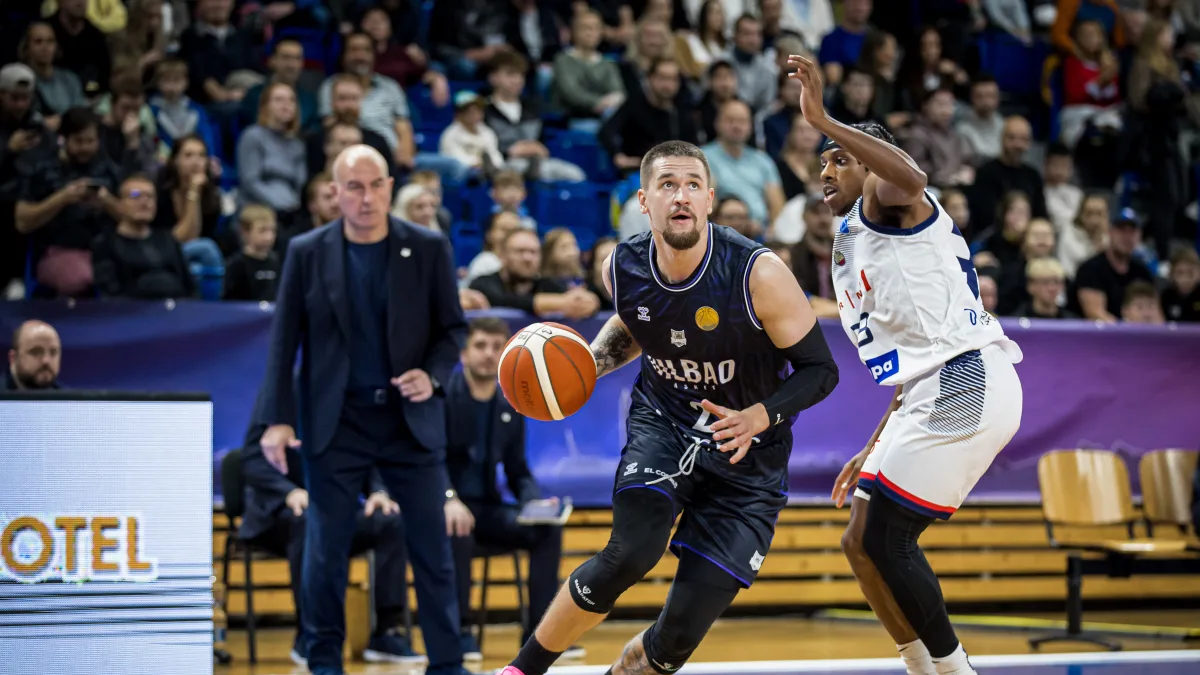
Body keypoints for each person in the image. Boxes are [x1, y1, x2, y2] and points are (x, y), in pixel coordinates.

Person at [498, 139, 840, 675]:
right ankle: (521, 670)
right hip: (666, 423)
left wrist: (759, 415)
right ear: (644, 202)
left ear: (709, 198)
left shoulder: (759, 274)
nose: (680, 196)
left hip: (747, 453)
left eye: (691, 186)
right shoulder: (621, 267)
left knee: (677, 636)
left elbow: (822, 371)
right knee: (630, 553)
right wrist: (588, 365)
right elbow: (640, 326)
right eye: (667, 185)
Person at [787, 54, 1024, 675]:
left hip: (966, 377)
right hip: (931, 384)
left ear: (870, 164)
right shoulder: (855, 242)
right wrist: (873, 444)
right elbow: (910, 360)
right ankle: (924, 667)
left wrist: (824, 118)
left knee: (885, 539)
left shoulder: (894, 203)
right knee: (859, 544)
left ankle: (952, 671)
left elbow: (912, 179)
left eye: (840, 158)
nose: (827, 170)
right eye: (822, 162)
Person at [255, 144, 470, 675]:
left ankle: (447, 664)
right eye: (354, 186)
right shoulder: (307, 251)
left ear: (391, 187)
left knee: (433, 554)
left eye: (376, 184)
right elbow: (285, 342)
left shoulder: (427, 247)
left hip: (409, 421)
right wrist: (276, 420)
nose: (367, 197)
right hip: (337, 422)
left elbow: (452, 331)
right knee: (325, 555)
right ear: (334, 193)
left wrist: (434, 375)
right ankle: (324, 662)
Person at [445, 317, 576, 661]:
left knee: (547, 530)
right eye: (480, 346)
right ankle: (459, 631)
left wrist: (535, 502)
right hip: (448, 508)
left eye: (496, 347)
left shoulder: (511, 404)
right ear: (464, 354)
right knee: (457, 528)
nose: (489, 354)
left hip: (488, 507)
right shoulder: (444, 398)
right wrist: (447, 498)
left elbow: (518, 471)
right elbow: (429, 461)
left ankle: (541, 633)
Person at [6, 320, 63, 390]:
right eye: (35, 352)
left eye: (53, 352)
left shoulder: (70, 399)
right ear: (13, 358)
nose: (46, 360)